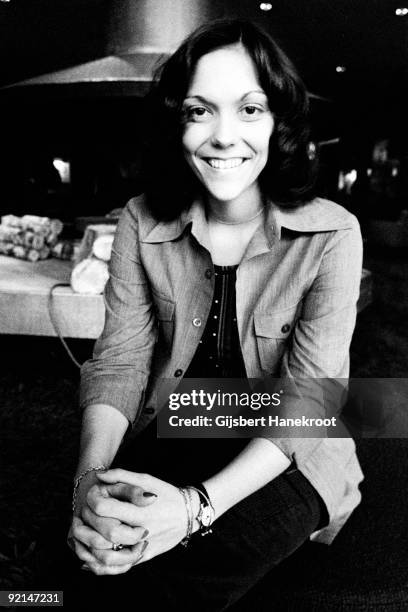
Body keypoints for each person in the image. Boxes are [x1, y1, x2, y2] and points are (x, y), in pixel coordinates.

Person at [67, 18, 363, 611]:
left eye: (250, 109)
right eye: (200, 111)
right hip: (184, 417)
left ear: (278, 122)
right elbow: (121, 362)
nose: (224, 136)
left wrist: (195, 508)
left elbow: (310, 399)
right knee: (96, 555)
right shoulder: (140, 220)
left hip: (289, 448)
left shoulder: (333, 233)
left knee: (185, 578)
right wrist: (88, 485)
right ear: (177, 123)